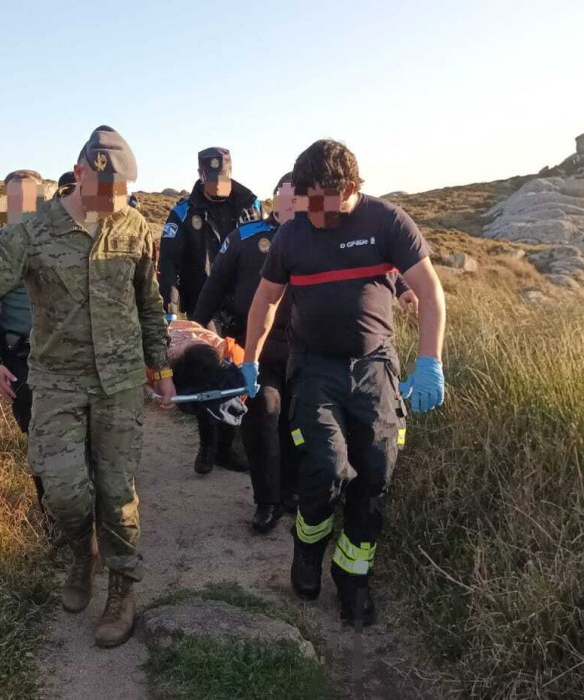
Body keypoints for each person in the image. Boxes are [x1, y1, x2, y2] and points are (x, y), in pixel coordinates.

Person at [0, 126, 175, 648]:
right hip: (57, 380)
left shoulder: (134, 227)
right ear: (79, 174)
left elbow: (148, 304)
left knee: (117, 491)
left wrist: (161, 368)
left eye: (122, 191)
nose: (113, 202)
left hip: (120, 382)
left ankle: (123, 590)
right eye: (105, 190)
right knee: (62, 490)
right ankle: (82, 555)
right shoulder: (29, 233)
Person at [242, 140, 446, 626]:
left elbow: (429, 291)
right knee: (325, 468)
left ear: (349, 190)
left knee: (374, 477)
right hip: (314, 368)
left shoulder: (387, 222)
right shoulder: (293, 237)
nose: (309, 213)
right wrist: (249, 359)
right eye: (302, 201)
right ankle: (308, 549)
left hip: (374, 368)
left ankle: (353, 575)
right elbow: (266, 301)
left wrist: (429, 362)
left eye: (319, 202)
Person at [194, 173, 419, 534]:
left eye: (297, 202)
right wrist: (197, 331)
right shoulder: (246, 238)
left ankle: (294, 492)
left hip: (307, 353)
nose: (292, 208)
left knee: (298, 426)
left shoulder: (323, 235)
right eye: (285, 201)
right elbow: (214, 286)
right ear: (273, 200)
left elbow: (373, 266)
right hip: (260, 352)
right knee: (265, 410)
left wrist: (405, 288)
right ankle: (267, 501)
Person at [157, 147, 261, 474]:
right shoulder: (185, 212)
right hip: (203, 304)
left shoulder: (250, 205)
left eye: (223, 178)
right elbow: (168, 262)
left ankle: (229, 444)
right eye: (211, 179)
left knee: (240, 370)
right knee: (209, 372)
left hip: (242, 304)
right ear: (201, 175)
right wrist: (172, 310)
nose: (217, 185)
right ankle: (207, 445)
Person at [0, 170, 46, 523]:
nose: (22, 208)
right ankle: (51, 516)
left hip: (71, 359)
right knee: (40, 440)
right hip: (23, 360)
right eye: (14, 201)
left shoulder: (66, 242)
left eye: (30, 200)